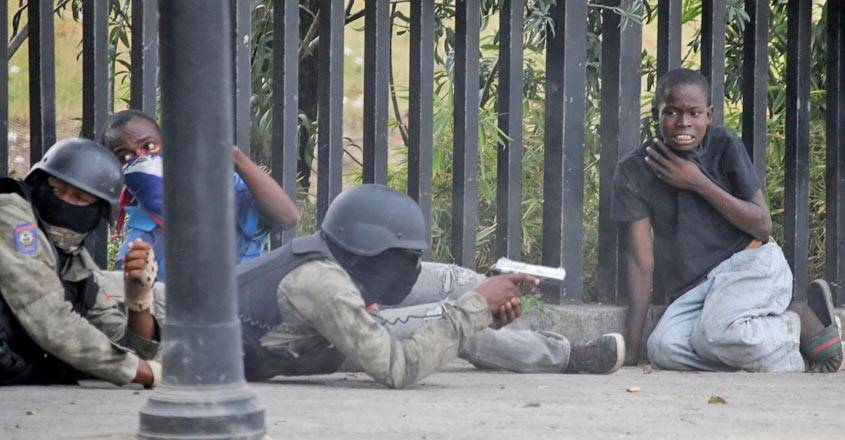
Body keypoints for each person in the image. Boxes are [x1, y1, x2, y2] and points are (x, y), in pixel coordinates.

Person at [237, 184, 625, 388]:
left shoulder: (337, 255)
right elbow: (398, 367)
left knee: (463, 284)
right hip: (336, 338)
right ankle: (567, 356)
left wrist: (487, 302)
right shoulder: (321, 283)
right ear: (369, 250)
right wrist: (475, 310)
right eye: (402, 256)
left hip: (335, 309)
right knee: (455, 319)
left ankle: (515, 342)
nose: (411, 265)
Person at [612, 68, 842, 373]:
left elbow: (762, 225)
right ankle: (790, 355)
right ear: (656, 113)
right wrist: (632, 349)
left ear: (709, 114)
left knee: (714, 335)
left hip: (750, 263)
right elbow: (641, 263)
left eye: (694, 113)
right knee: (663, 349)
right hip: (698, 290)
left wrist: (697, 182)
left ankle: (796, 323)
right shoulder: (633, 171)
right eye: (672, 112)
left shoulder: (724, 144)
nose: (684, 123)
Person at [0, 138, 161, 387]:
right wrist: (147, 373)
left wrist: (139, 300)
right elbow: (52, 319)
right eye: (56, 189)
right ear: (39, 182)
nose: (64, 200)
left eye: (79, 197)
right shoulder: (11, 214)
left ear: (97, 210)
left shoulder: (74, 260)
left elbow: (127, 350)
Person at [100, 109, 300, 280]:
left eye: (149, 147)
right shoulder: (141, 239)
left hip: (252, 311)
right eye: (126, 157)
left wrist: (236, 159)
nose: (141, 158)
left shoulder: (223, 189)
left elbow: (287, 217)